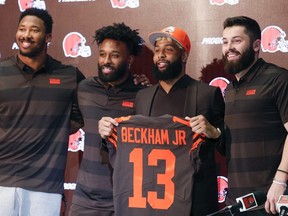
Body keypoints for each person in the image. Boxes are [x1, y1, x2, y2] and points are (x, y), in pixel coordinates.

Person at [99, 26, 225, 216]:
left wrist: (213, 132)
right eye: (157, 50)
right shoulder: (143, 96)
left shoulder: (208, 94)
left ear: (183, 56)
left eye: (168, 49)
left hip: (195, 200)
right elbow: (130, 145)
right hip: (152, 201)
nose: (160, 55)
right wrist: (107, 134)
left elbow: (228, 146)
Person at [0, 8, 85, 216]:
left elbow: (79, 117)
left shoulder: (69, 76)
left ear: (48, 37)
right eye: (22, 29)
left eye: (34, 30)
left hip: (45, 185)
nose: (26, 35)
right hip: (2, 181)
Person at [69, 23, 149, 216]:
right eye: (102, 54)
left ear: (129, 59)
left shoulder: (143, 93)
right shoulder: (84, 88)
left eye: (114, 55)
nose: (106, 61)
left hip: (126, 198)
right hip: (84, 200)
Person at [222, 16, 288, 215]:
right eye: (225, 42)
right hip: (237, 202)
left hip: (270, 199)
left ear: (257, 45)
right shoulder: (231, 88)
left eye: (237, 40)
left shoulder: (278, 78)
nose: (229, 47)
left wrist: (280, 181)